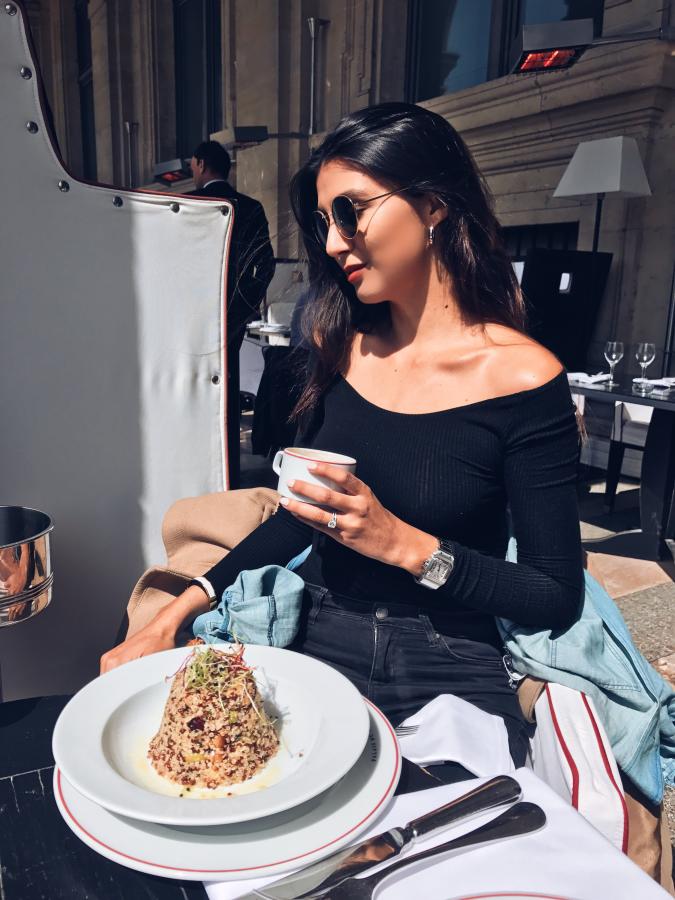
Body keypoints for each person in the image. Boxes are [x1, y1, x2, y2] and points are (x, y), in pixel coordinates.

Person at [102, 103, 584, 775]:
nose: (333, 242)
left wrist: (405, 545)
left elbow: (553, 591)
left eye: (350, 212)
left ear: (434, 203)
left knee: (449, 828)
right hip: (317, 633)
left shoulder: (524, 379)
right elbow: (296, 517)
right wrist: (172, 613)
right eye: (325, 221)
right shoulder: (340, 348)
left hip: (448, 654)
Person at [189, 141, 276, 488]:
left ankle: (197, 473)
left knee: (192, 392)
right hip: (233, 319)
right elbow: (265, 265)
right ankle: (229, 474)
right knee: (228, 390)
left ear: (200, 164)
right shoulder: (250, 208)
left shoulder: (190, 205)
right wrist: (239, 306)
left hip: (193, 319)